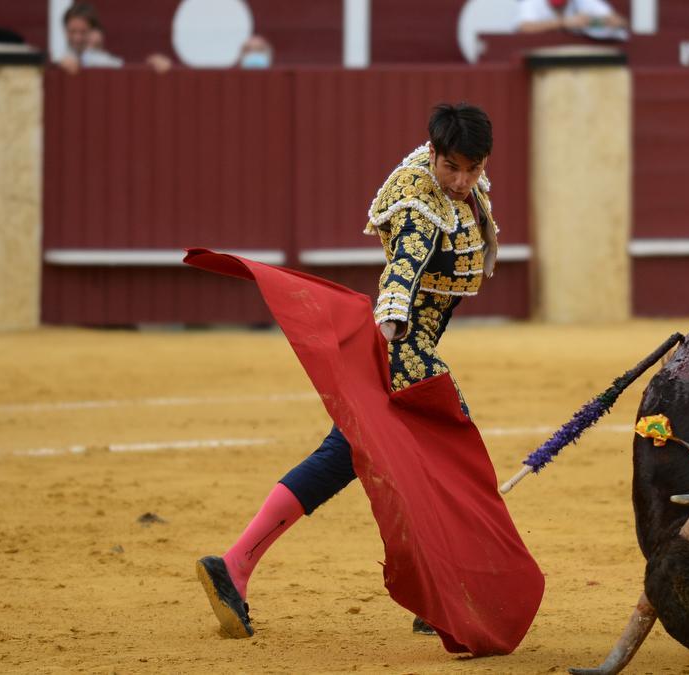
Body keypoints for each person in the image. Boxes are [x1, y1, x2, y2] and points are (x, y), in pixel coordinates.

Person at [196, 102, 500, 640]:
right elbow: (400, 277)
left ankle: (237, 565)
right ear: (433, 154)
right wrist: (380, 355)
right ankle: (439, 594)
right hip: (404, 355)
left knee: (346, 457)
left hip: (404, 357)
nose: (462, 181)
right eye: (452, 167)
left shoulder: (456, 182)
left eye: (473, 169)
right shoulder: (418, 203)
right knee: (446, 462)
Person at [58, 2, 171, 73]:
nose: (77, 38)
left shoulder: (103, 60)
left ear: (96, 33)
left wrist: (150, 67)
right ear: (64, 31)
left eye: (83, 32)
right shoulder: (58, 57)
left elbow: (127, 73)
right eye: (72, 32)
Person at [516, 0, 628, 41]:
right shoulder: (532, 3)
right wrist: (564, 22)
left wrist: (590, 22)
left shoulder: (584, 2)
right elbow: (524, 27)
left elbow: (620, 22)